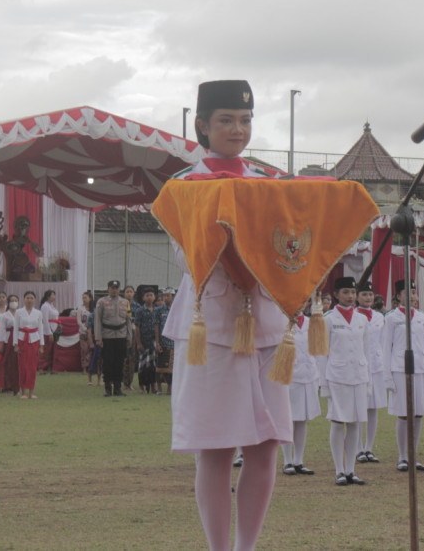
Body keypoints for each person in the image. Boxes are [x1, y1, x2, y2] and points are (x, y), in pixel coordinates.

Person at [162, 80, 291, 551]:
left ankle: (246, 547)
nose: (238, 129)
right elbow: (186, 256)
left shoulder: (269, 185)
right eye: (226, 120)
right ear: (202, 125)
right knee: (214, 448)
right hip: (210, 325)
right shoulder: (182, 187)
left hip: (266, 325)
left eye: (245, 120)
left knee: (265, 445)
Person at [319, 276, 371, 486]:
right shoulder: (328, 319)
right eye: (346, 292)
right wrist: (323, 384)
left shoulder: (362, 320)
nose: (350, 297)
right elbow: (322, 354)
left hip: (358, 375)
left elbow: (365, 352)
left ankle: (351, 469)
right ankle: (339, 470)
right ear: (336, 295)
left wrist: (368, 382)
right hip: (337, 376)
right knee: (338, 421)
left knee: (355, 422)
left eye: (352, 292)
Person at [384, 280, 424, 473]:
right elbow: (386, 347)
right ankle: (402, 456)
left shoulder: (421, 317)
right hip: (400, 368)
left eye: (413, 292)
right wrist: (387, 376)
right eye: (407, 293)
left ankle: (413, 454)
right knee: (404, 413)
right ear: (398, 296)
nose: (411, 296)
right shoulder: (392, 318)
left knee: (418, 413)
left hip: (420, 368)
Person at [280, 307, 320, 477]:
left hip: (309, 374)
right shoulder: (282, 321)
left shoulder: (311, 323)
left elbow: (317, 350)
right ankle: (287, 460)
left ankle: (299, 460)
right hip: (289, 376)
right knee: (288, 419)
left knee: (303, 419)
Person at [356, 281, 386, 464]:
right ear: (358, 297)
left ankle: (369, 447)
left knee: (374, 408)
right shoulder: (354, 315)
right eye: (364, 294)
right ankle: (358, 447)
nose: (368, 298)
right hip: (359, 366)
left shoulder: (380, 317)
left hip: (376, 366)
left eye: (370, 294)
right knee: (360, 408)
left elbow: (383, 342)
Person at [95, 280, 131, 397]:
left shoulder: (125, 302)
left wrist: (129, 336)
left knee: (119, 363)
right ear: (108, 289)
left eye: (116, 288)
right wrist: (98, 338)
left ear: (119, 289)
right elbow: (97, 321)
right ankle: (107, 388)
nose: (114, 290)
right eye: (112, 288)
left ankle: (117, 388)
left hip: (121, 335)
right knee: (108, 362)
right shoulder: (102, 302)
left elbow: (128, 321)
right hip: (107, 336)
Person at [13, 291, 46, 399]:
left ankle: (31, 392)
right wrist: (16, 344)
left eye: (32, 298)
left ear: (35, 300)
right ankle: (23, 392)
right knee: (22, 366)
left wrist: (41, 345)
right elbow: (16, 328)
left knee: (32, 367)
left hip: (34, 340)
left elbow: (41, 329)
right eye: (27, 298)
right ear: (24, 299)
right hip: (22, 340)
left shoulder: (38, 313)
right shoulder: (18, 312)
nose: (29, 300)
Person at [134, 287, 162, 394]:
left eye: (151, 295)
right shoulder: (140, 310)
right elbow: (137, 327)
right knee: (143, 365)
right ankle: (141, 386)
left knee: (153, 365)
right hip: (144, 341)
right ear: (143, 298)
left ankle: (153, 386)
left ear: (154, 297)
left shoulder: (157, 310)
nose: (149, 297)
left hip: (154, 342)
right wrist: (139, 343)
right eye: (147, 295)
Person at [3, 295, 21, 395]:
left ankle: (17, 387)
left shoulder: (20, 313)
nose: (14, 302)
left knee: (17, 365)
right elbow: (2, 329)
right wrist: (1, 342)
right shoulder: (5, 315)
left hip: (19, 339)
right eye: (12, 300)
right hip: (8, 339)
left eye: (16, 300)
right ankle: (8, 387)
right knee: (9, 364)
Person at [74, 291, 95, 379]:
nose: (84, 300)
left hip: (93, 332)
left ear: (90, 298)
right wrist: (85, 329)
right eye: (83, 298)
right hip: (83, 332)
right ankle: (84, 368)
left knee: (91, 350)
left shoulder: (93, 308)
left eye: (85, 297)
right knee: (84, 350)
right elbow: (78, 321)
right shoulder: (80, 308)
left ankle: (91, 367)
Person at [39, 289, 60, 375]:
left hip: (55, 329)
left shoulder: (52, 306)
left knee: (52, 350)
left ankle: (50, 367)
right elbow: (45, 320)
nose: (54, 297)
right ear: (48, 296)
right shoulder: (45, 306)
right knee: (46, 350)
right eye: (52, 295)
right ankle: (41, 367)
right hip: (48, 330)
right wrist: (49, 332)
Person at [122, 285, 139, 391]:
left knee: (132, 358)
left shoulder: (137, 306)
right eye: (127, 292)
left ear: (134, 293)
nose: (129, 294)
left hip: (133, 333)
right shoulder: (120, 304)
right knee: (123, 358)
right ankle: (123, 382)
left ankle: (130, 382)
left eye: (131, 292)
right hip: (122, 333)